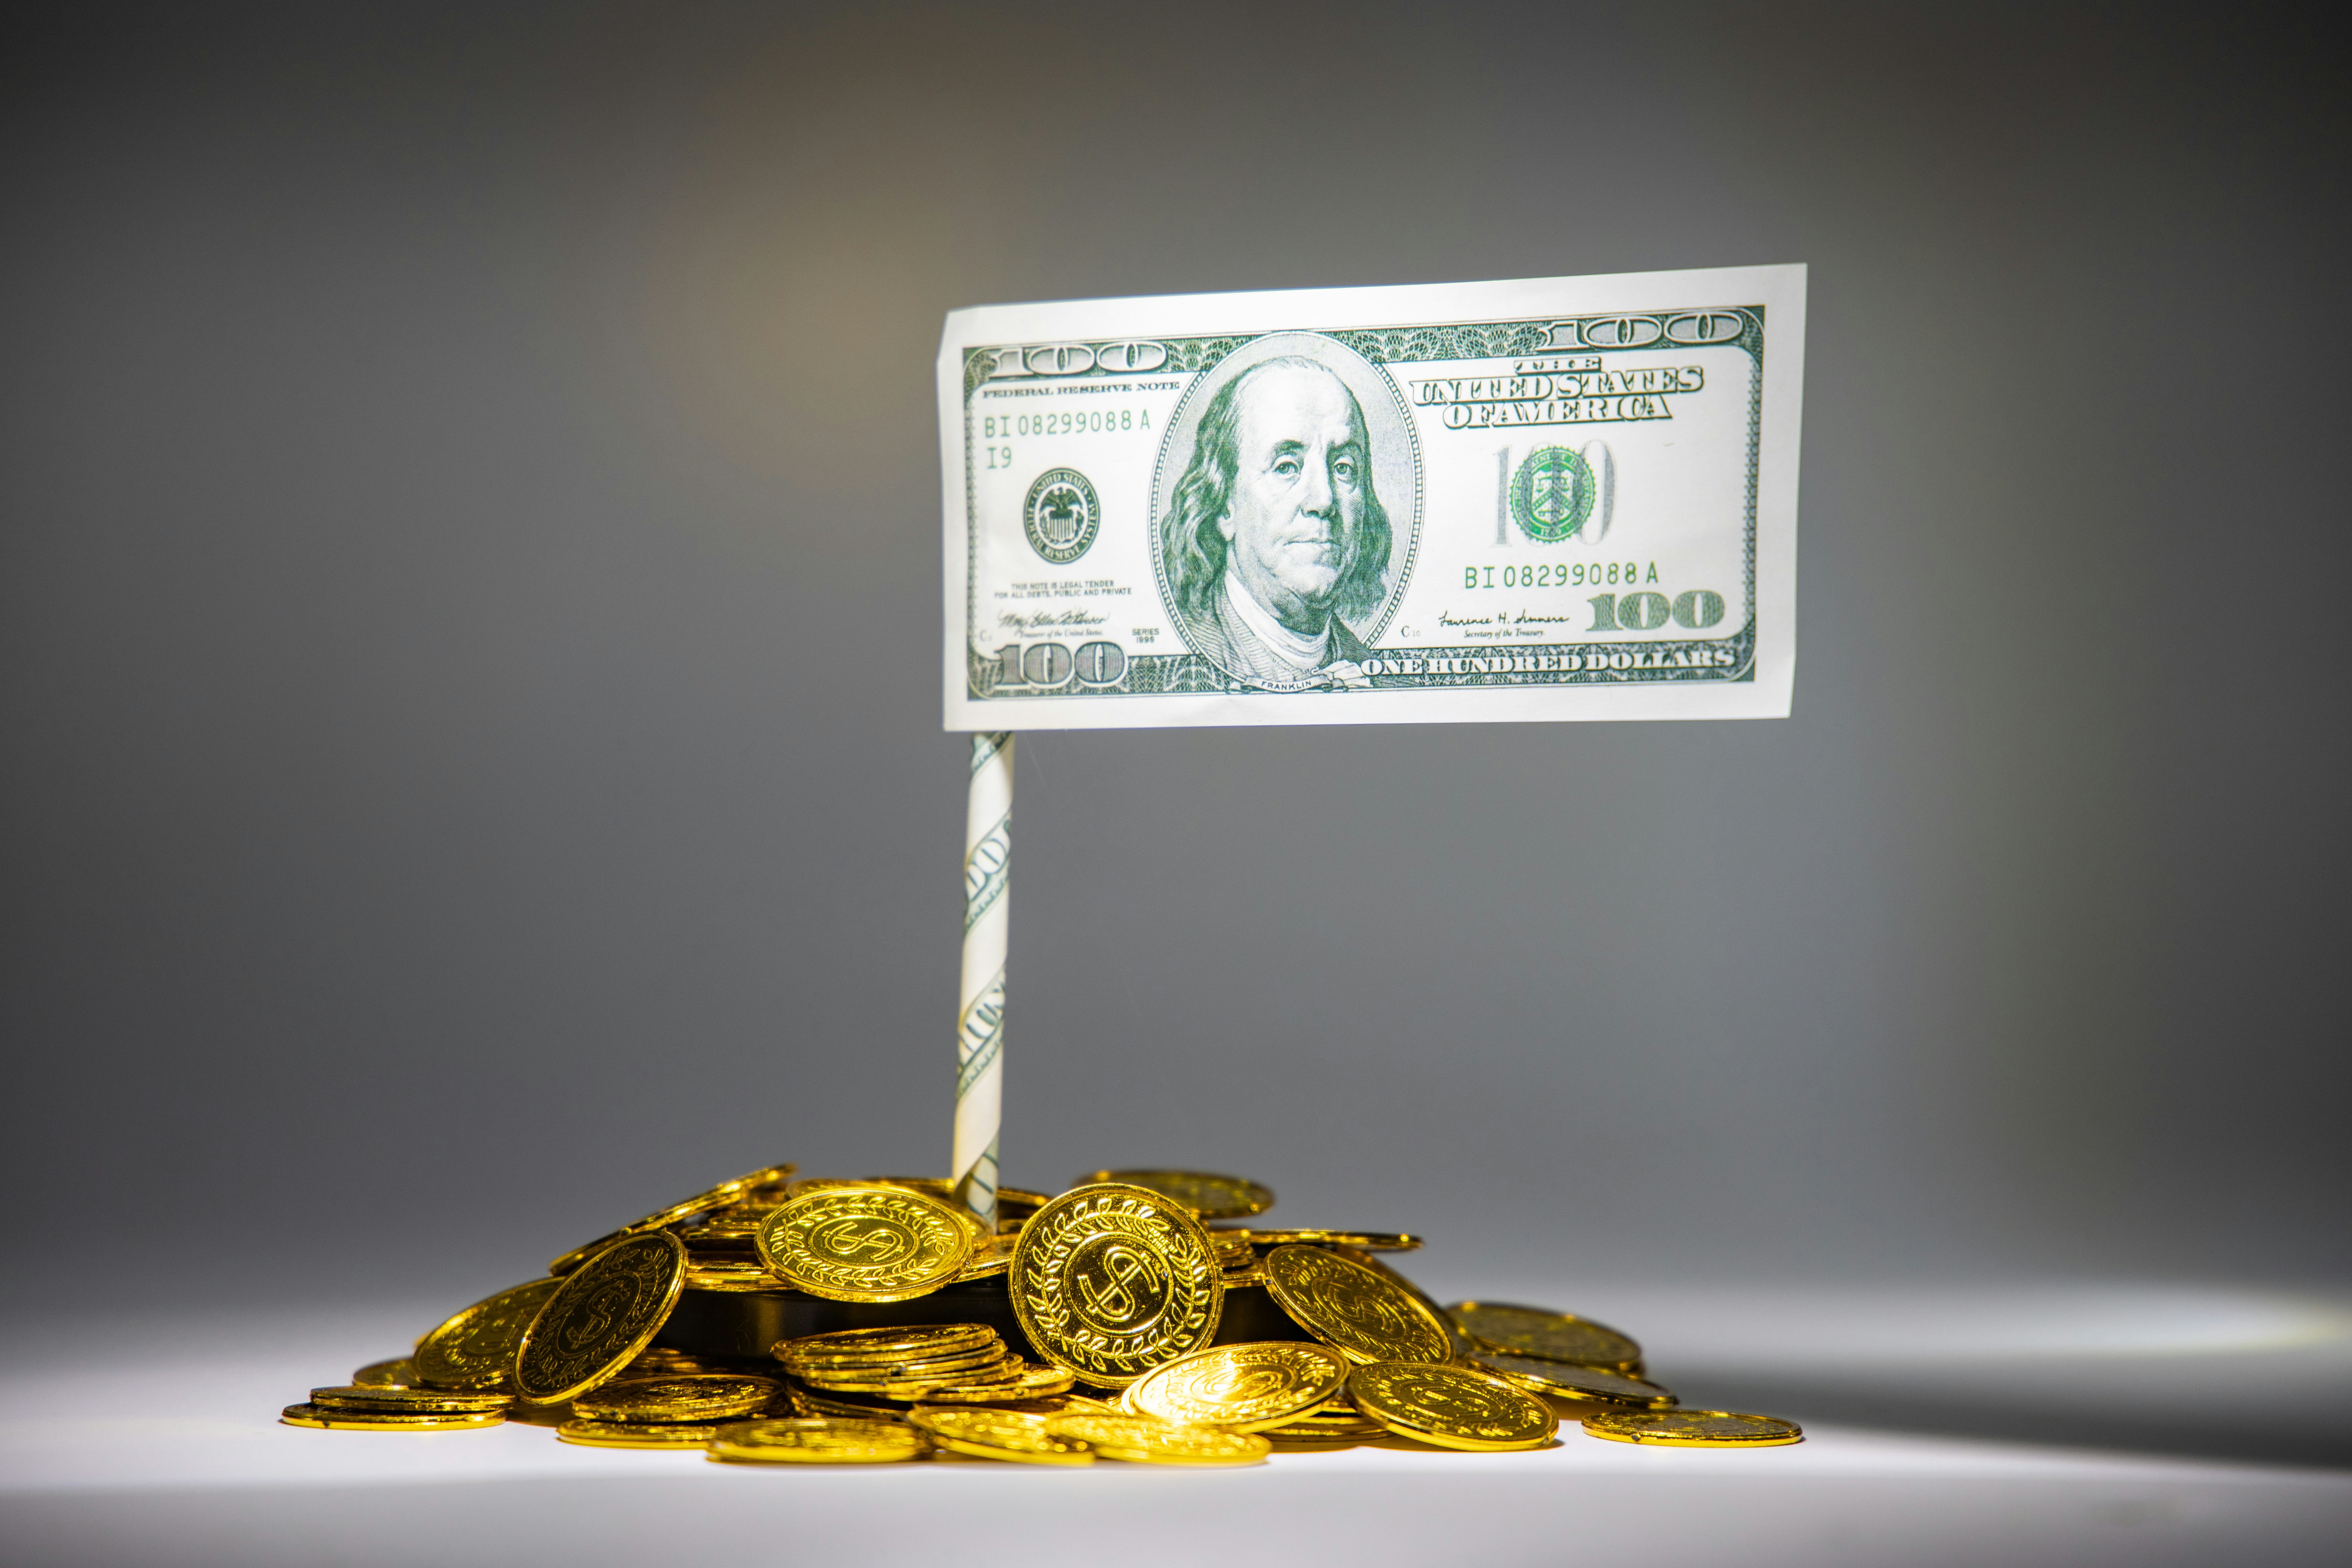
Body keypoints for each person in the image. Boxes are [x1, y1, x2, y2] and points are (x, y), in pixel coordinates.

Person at [1160, 356, 1393, 687]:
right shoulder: (1184, 665)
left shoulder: (1382, 682)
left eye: (1343, 468)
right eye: (1286, 467)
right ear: (1226, 506)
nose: (1324, 500)